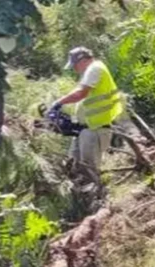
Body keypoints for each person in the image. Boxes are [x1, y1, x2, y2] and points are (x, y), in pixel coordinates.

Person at [51, 47, 125, 205]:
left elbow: (80, 94)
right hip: (85, 128)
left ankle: (99, 202)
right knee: (74, 166)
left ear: (82, 60)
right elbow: (81, 93)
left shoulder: (95, 68)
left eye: (75, 66)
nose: (75, 70)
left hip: (95, 129)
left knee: (89, 168)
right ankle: (82, 203)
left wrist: (58, 103)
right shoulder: (90, 72)